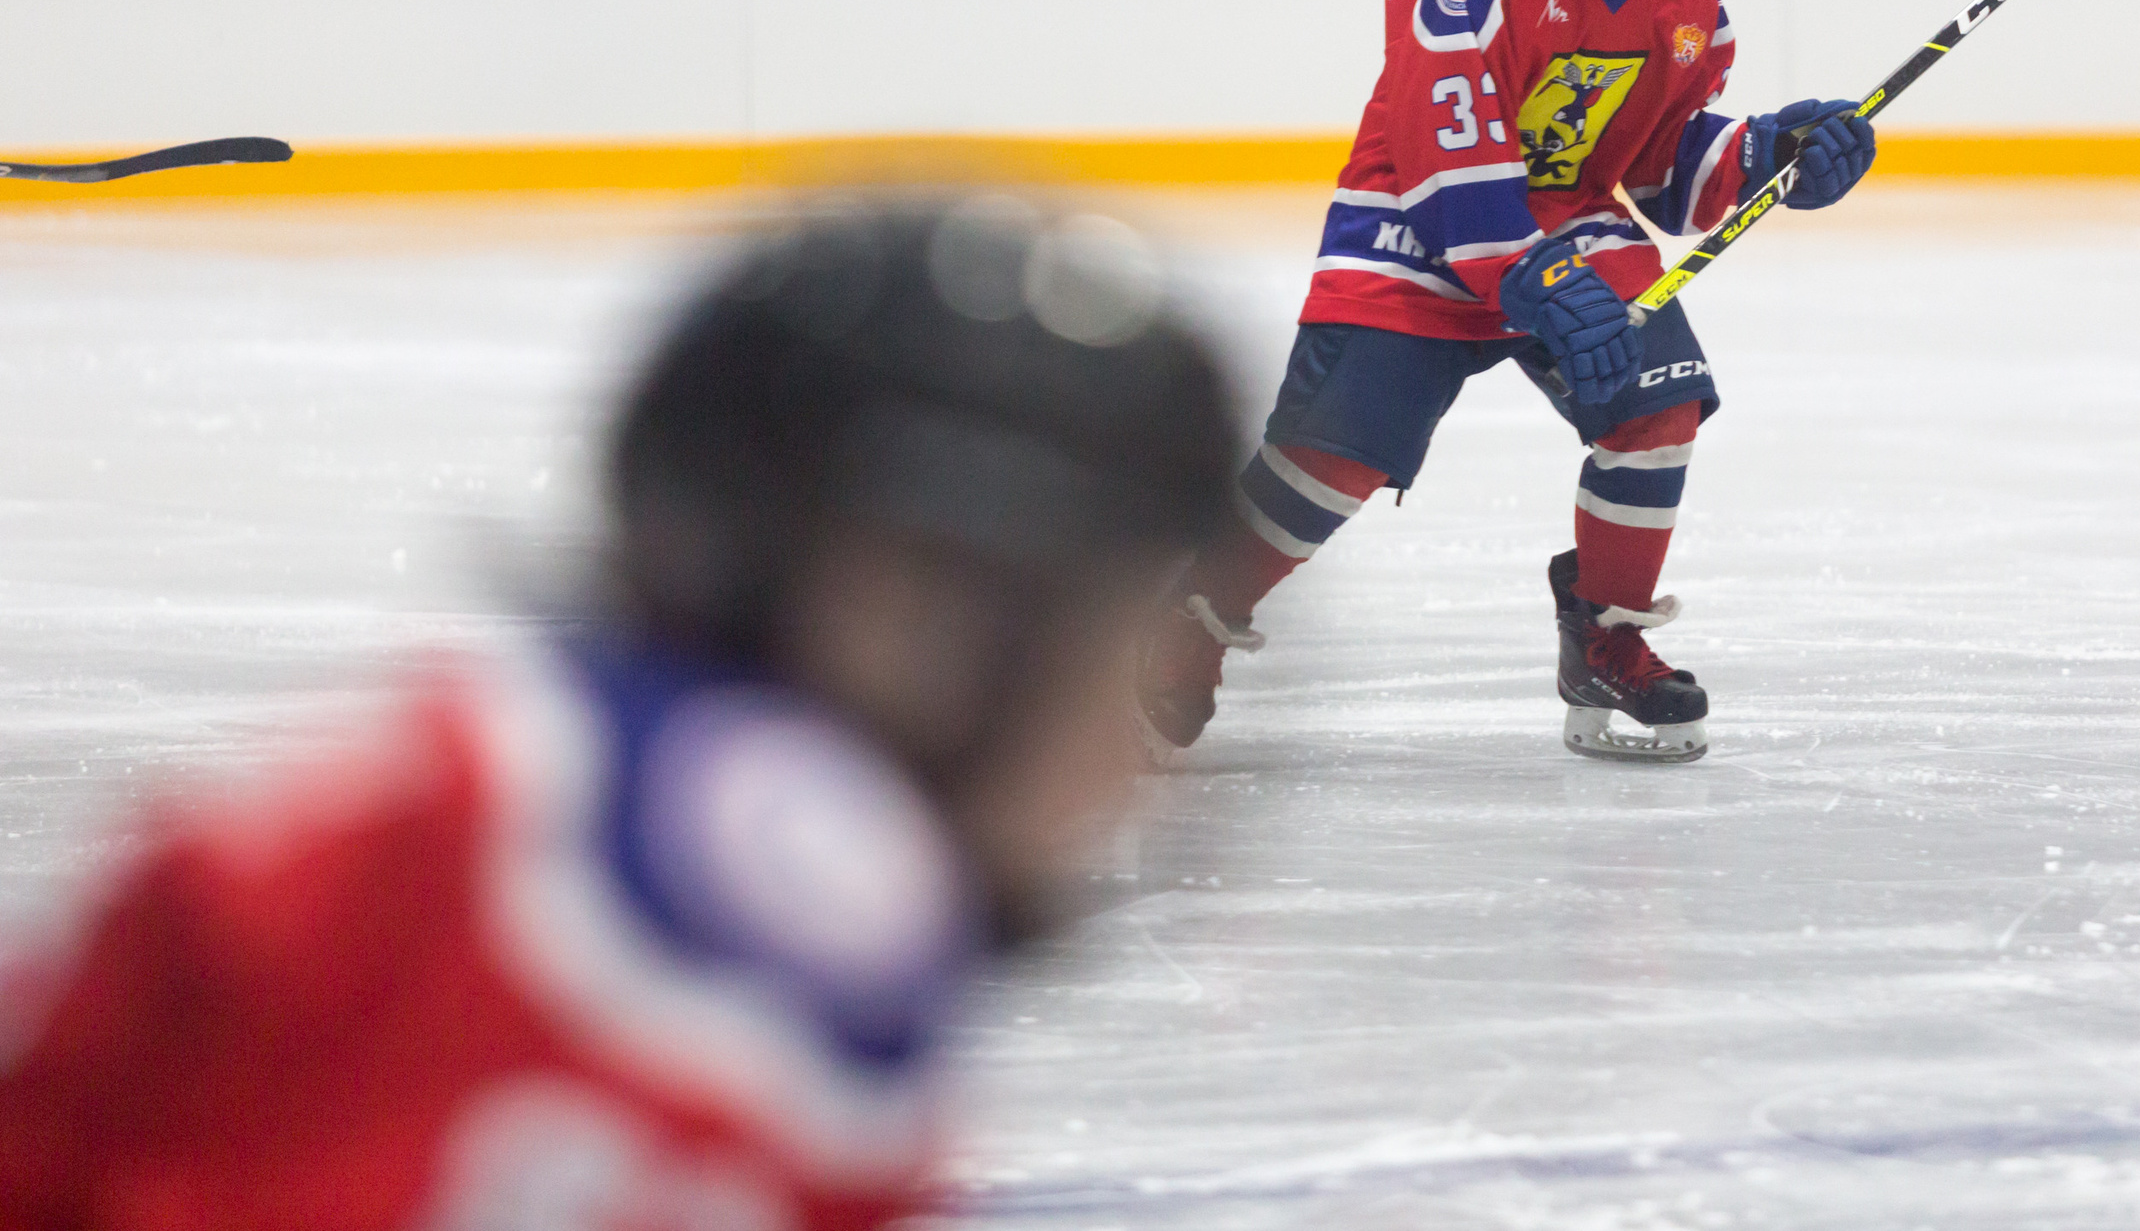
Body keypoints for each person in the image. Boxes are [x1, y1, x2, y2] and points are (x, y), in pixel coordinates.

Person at [0, 201, 1239, 1229]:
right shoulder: (712, 924)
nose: (1136, 766)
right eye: (1110, 652)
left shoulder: (570, 809)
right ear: (906, 617)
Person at [1138, 0, 1876, 766]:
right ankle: (1194, 611)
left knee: (1656, 402)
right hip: (1417, 224)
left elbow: (1664, 166)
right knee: (1330, 462)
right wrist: (1519, 275)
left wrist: (1769, 156)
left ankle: (1606, 633)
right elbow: (1444, 147)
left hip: (1567, 222)